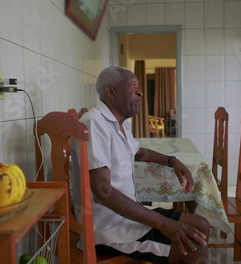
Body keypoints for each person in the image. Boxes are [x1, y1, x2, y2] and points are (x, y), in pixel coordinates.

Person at [71, 66, 209, 264]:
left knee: (200, 224)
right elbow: (103, 193)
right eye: (132, 86)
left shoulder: (120, 122)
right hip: (107, 229)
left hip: (127, 214)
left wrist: (172, 161)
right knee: (193, 249)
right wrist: (163, 223)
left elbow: (136, 152)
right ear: (110, 92)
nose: (140, 91)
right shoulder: (95, 123)